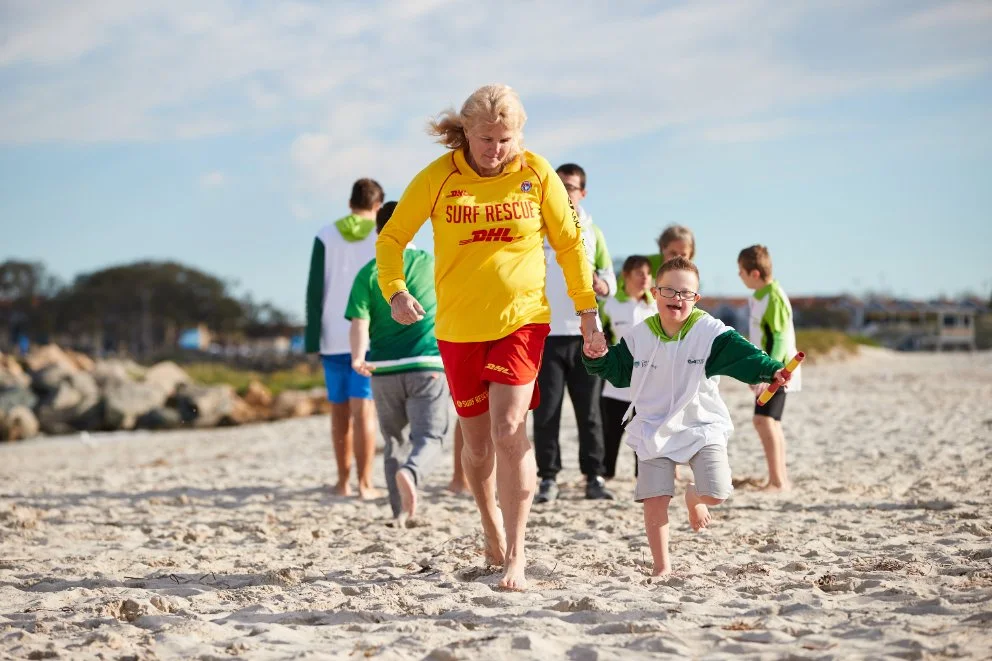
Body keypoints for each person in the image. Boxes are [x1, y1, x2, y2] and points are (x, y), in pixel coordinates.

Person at [375, 84, 605, 591]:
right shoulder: (438, 177)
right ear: (466, 133)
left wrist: (588, 312)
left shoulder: (536, 173)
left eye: (505, 140)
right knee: (477, 446)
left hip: (522, 320)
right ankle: (490, 525)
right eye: (485, 139)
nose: (496, 150)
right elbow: (391, 238)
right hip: (458, 329)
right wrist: (395, 290)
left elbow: (570, 245)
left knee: (508, 429)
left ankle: (517, 554)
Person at [582, 257, 792, 576]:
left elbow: (744, 354)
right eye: (669, 290)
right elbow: (617, 372)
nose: (677, 298)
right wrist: (595, 356)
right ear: (655, 293)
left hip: (701, 425)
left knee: (717, 493)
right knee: (655, 499)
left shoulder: (708, 331)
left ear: (696, 298)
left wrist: (772, 369)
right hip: (654, 425)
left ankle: (694, 496)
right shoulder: (640, 335)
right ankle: (661, 567)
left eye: (686, 293)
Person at [346, 201, 450, 524]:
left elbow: (359, 322)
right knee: (430, 437)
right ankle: (413, 472)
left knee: (394, 442)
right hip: (427, 364)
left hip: (383, 370)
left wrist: (358, 357)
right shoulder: (431, 263)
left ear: (377, 231)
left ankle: (400, 513)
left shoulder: (368, 272)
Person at [533, 163, 617, 503]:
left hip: (586, 335)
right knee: (546, 412)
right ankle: (548, 478)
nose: (564, 192)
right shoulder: (537, 226)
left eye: (570, 187)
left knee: (590, 413)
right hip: (545, 334)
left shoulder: (593, 232)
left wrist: (601, 284)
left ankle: (594, 477)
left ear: (582, 193)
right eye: (558, 185)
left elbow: (610, 281)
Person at [305, 178, 384, 499]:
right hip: (367, 335)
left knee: (339, 411)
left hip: (331, 335)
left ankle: (343, 482)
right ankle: (366, 484)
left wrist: (312, 340)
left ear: (350, 204)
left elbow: (314, 290)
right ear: (378, 206)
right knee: (364, 410)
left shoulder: (325, 235)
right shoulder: (384, 233)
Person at [737, 244, 801, 492]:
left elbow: (779, 338)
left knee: (763, 420)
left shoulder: (773, 297)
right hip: (768, 369)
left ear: (754, 273)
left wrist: (769, 373)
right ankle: (779, 479)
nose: (739, 276)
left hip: (778, 371)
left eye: (741, 271)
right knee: (771, 421)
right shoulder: (759, 296)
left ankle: (777, 481)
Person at [599, 255, 655, 479]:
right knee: (610, 434)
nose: (645, 278)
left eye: (648, 273)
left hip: (648, 385)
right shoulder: (609, 305)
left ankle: (644, 477)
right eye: (639, 273)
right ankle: (605, 474)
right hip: (615, 385)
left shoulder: (656, 305)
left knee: (645, 436)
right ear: (626, 276)